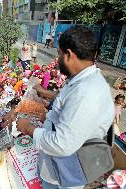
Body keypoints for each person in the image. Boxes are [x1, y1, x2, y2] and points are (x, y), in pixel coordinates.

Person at [17, 25, 115, 188]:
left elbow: (62, 144)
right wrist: (46, 96)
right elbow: (69, 101)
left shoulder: (86, 92)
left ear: (68, 55)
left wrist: (27, 127)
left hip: (64, 173)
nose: (57, 60)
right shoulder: (83, 80)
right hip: (57, 165)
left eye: (59, 55)